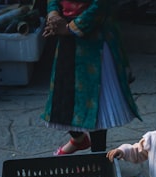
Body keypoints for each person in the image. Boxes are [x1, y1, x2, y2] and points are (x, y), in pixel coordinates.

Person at [42, 0, 139, 155]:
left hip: (95, 39)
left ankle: (98, 158)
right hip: (67, 40)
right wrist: (53, 15)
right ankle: (79, 140)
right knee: (63, 100)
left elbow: (101, 6)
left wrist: (69, 28)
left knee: (97, 105)